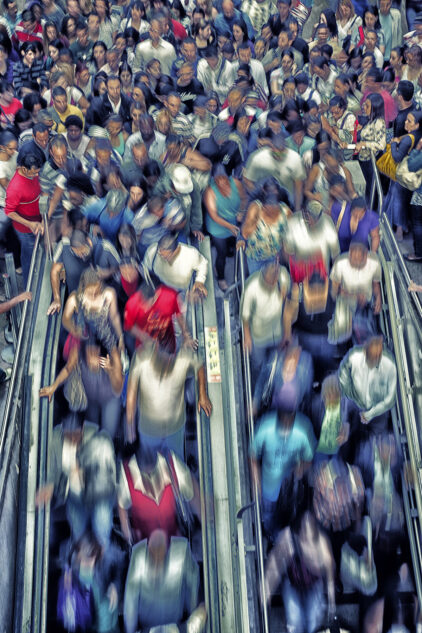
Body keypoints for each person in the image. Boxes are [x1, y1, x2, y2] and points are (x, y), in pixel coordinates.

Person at [250, 387, 316, 539]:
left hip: (289, 490)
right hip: (268, 488)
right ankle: (269, 534)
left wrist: (298, 470)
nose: (286, 420)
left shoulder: (303, 429)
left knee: (286, 517)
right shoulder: (265, 426)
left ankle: (277, 535)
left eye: (290, 415)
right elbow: (253, 455)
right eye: (283, 415)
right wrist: (257, 484)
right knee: (267, 516)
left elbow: (308, 459)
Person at [126, 340, 212, 454]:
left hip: (174, 430)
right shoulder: (141, 357)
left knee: (176, 466)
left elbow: (200, 366)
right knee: (150, 468)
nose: (167, 362)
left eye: (170, 358)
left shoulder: (183, 357)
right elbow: (131, 394)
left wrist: (202, 395)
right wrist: (130, 426)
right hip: (149, 430)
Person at [264, 511, 336, 633]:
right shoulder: (289, 539)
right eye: (304, 538)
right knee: (294, 621)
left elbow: (329, 580)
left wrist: (332, 605)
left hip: (314, 585)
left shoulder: (324, 551)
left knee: (313, 623)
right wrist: (267, 588)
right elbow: (275, 565)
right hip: (292, 582)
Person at [123, 529, 207, 633]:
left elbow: (192, 585)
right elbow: (130, 600)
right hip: (149, 626)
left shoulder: (181, 550)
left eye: (160, 556)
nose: (157, 561)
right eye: (154, 556)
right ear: (148, 550)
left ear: (166, 550)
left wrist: (193, 613)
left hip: (174, 624)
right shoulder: (138, 555)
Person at [117, 446, 201, 544]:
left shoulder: (171, 462)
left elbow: (192, 492)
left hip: (174, 541)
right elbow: (122, 505)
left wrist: (203, 518)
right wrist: (127, 534)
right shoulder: (126, 473)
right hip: (145, 546)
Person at [241, 259, 297, 383]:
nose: (272, 285)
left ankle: (272, 384)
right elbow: (245, 315)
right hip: (258, 335)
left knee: (277, 361)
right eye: (270, 283)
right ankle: (256, 383)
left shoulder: (282, 275)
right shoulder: (251, 287)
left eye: (274, 281)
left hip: (278, 331)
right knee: (258, 364)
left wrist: (287, 333)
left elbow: (289, 300)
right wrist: (247, 336)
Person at [339, 335, 397, 437]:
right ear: (364, 350)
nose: (375, 360)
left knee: (377, 437)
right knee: (344, 428)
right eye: (372, 357)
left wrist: (371, 414)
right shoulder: (354, 356)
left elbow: (390, 400)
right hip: (354, 401)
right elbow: (343, 373)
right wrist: (350, 394)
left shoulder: (389, 366)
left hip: (378, 409)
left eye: (378, 356)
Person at [329, 240, 382, 345]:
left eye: (359, 259)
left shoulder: (375, 263)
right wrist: (354, 296)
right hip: (345, 302)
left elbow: (375, 283)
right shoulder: (340, 263)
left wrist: (379, 298)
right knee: (341, 332)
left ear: (366, 255)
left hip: (366, 304)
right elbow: (334, 291)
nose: (355, 262)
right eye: (353, 259)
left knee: (365, 331)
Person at [4, 149, 44, 283]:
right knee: (28, 258)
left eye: (38, 171)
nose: (37, 174)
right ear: (24, 169)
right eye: (34, 172)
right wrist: (30, 224)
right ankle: (29, 284)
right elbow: (9, 212)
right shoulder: (15, 188)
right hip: (26, 228)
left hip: (39, 220)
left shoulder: (34, 174)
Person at [203, 173, 244, 290]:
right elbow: (214, 216)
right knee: (222, 254)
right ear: (215, 182)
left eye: (226, 182)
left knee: (231, 248)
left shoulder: (236, 183)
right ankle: (220, 277)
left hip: (233, 223)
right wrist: (230, 227)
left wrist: (241, 211)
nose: (225, 185)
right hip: (218, 228)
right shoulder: (210, 192)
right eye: (220, 184)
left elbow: (244, 198)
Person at [142, 232, 208, 297]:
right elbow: (146, 268)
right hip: (162, 287)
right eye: (160, 255)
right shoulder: (152, 252)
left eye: (168, 256)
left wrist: (199, 281)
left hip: (181, 290)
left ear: (177, 249)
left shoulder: (191, 254)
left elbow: (202, 263)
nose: (164, 259)